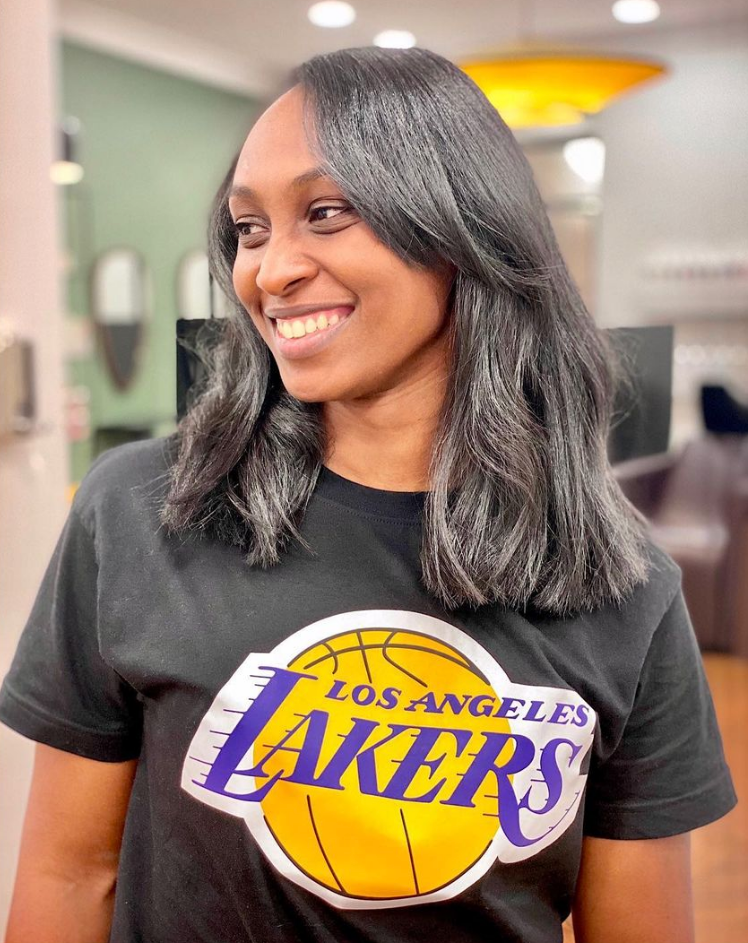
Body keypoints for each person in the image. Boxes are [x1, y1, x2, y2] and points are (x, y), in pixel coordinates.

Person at [0, 46, 736, 943]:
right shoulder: (141, 509)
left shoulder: (621, 583)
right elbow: (70, 873)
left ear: (461, 229)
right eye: (250, 228)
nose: (270, 272)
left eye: (326, 212)